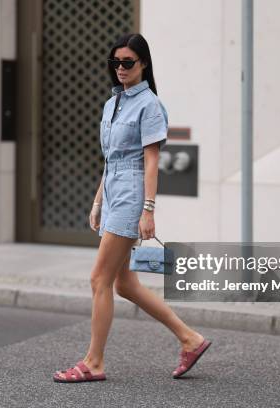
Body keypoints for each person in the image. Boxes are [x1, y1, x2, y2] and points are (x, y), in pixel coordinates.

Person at [53, 33, 211, 383]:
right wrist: (97, 202)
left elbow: (151, 162)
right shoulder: (112, 105)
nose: (121, 69)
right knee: (124, 284)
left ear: (143, 64)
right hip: (111, 193)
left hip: (131, 195)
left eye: (128, 62)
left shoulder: (150, 105)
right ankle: (190, 339)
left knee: (99, 279)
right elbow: (110, 160)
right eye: (116, 62)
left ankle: (93, 362)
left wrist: (149, 209)